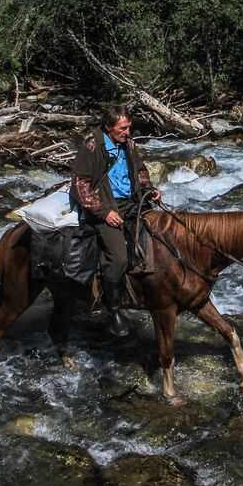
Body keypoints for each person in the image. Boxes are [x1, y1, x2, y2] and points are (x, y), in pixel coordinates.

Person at [70, 105, 159, 336]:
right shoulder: (92, 147)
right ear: (109, 127)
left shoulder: (129, 144)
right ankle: (113, 310)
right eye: (123, 128)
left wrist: (149, 189)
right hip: (106, 207)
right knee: (118, 257)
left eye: (129, 127)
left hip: (132, 202)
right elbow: (80, 186)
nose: (128, 131)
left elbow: (140, 170)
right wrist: (103, 212)